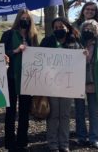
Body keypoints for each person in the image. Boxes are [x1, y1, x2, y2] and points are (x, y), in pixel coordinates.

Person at [0, 8, 39, 152]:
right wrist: (15, 51)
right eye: (23, 18)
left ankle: (22, 141)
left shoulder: (33, 36)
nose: (25, 21)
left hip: (27, 78)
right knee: (10, 111)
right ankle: (9, 142)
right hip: (11, 77)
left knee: (24, 111)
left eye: (28, 19)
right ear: (18, 19)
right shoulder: (8, 35)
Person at [40, 17, 82, 152]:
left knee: (64, 115)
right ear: (53, 29)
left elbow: (80, 58)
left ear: (67, 27)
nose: (59, 29)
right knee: (53, 115)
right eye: (56, 27)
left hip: (67, 85)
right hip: (51, 84)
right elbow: (38, 58)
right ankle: (52, 143)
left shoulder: (74, 42)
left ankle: (64, 144)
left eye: (61, 26)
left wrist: (84, 54)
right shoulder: (47, 41)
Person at [74, 19, 98, 148]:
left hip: (94, 82)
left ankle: (94, 137)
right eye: (86, 29)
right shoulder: (77, 43)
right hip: (78, 82)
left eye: (92, 29)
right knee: (79, 111)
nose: (88, 31)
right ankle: (81, 137)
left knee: (94, 112)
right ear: (82, 30)